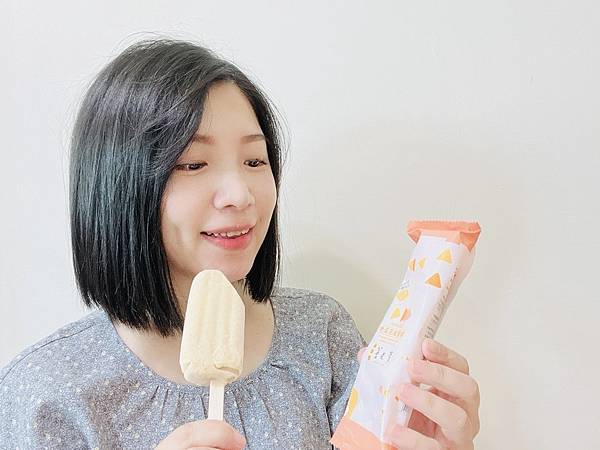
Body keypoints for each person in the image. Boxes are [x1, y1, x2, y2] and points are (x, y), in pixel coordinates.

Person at [0, 39, 480, 449]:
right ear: (118, 186)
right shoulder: (47, 394)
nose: (240, 195)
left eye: (254, 161)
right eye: (192, 164)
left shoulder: (321, 333)